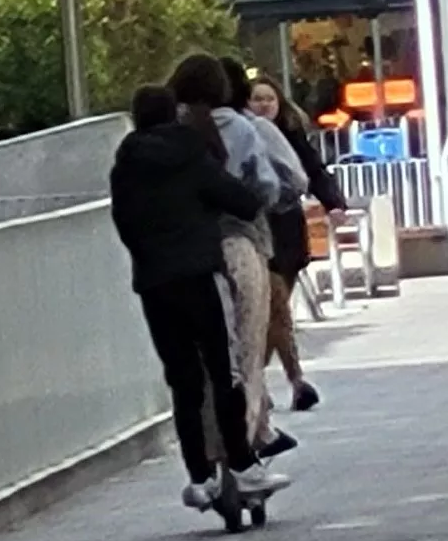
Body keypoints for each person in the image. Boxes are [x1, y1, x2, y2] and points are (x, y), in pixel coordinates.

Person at [109, 84, 291, 512]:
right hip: (201, 275)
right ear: (174, 114)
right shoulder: (191, 154)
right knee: (223, 372)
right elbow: (241, 201)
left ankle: (200, 478)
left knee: (183, 378)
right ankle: (243, 464)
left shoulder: (125, 167)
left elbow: (125, 224)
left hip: (154, 283)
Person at [168, 53, 303, 462]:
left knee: (203, 361)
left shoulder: (170, 132)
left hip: (185, 253)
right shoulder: (244, 129)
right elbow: (273, 183)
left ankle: (212, 450)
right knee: (245, 352)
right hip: (240, 244)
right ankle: (243, 451)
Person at [250, 75, 349, 410]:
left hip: (287, 230)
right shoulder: (239, 136)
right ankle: (292, 381)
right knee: (274, 309)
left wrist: (333, 202)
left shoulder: (291, 136)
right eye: (256, 99)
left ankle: (258, 382)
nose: (263, 105)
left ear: (279, 104)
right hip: (259, 231)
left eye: (269, 99)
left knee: (274, 311)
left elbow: (314, 171)